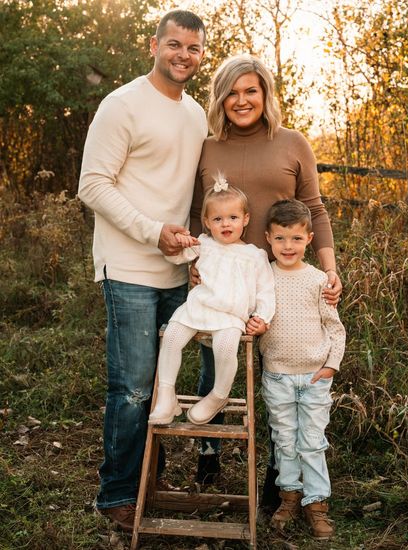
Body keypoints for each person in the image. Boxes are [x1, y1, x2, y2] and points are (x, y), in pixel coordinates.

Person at [189, 54, 343, 505]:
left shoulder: (292, 142)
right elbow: (193, 211)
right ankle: (208, 453)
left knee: (279, 373)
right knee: (213, 365)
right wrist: (192, 263)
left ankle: (281, 477)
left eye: (250, 90)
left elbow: (315, 210)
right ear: (221, 98)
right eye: (232, 92)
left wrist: (329, 269)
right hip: (221, 280)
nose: (241, 100)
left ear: (265, 94)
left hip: (282, 280)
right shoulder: (208, 146)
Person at [77, 10, 207, 532]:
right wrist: (152, 231)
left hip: (177, 269)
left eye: (193, 48)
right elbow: (92, 185)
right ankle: (116, 495)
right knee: (131, 387)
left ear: (201, 54)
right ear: (153, 45)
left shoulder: (198, 115)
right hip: (129, 265)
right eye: (173, 44)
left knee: (163, 387)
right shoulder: (122, 104)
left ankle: (150, 481)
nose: (183, 55)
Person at [149, 178, 275, 426]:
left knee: (226, 346)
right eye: (217, 219)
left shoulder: (254, 255)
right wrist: (180, 244)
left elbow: (266, 291)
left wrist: (263, 317)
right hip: (197, 308)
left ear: (245, 219)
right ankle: (166, 394)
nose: (225, 223)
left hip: (231, 315)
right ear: (207, 223)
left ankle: (218, 395)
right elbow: (176, 258)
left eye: (232, 218)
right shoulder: (203, 244)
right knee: (172, 336)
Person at [256, 198, 345, 539]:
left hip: (313, 377)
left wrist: (330, 367)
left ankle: (317, 505)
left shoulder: (318, 279)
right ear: (268, 238)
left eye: (295, 238)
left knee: (311, 441)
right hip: (276, 373)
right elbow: (257, 315)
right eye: (280, 238)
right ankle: (289, 497)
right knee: (284, 440)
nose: (287, 246)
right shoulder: (263, 278)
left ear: (309, 238)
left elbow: (335, 328)